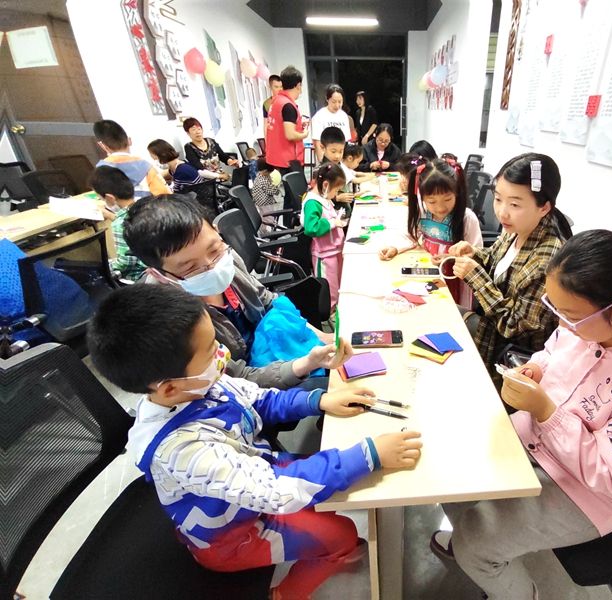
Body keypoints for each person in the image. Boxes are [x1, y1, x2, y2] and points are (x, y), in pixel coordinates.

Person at [88, 284, 423, 599]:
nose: (223, 353)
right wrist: (369, 454)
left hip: (251, 482)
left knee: (338, 486)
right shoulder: (183, 451)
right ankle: (283, 594)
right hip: (231, 536)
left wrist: (318, 401)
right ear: (170, 387)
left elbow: (260, 400)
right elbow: (277, 491)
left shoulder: (198, 386)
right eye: (211, 350)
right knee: (343, 534)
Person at [430, 229, 612, 600]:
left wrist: (545, 410)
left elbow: (605, 473)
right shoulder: (587, 325)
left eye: (568, 315)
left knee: (476, 547)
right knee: (445, 473)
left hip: (586, 493)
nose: (561, 323)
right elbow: (551, 353)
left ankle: (493, 568)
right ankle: (477, 545)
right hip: (533, 441)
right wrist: (535, 370)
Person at [123, 194, 341, 390]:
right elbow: (234, 379)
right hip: (241, 389)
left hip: (273, 354)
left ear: (216, 231)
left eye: (214, 250)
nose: (212, 266)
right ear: (159, 273)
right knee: (335, 388)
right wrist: (306, 364)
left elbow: (267, 301)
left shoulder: (225, 257)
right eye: (190, 268)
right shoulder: (167, 319)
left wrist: (320, 337)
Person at [446, 153, 573, 369]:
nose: (502, 213)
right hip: (489, 326)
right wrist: (474, 253)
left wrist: (476, 277)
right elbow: (497, 260)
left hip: (508, 355)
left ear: (544, 207)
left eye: (514, 204)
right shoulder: (517, 227)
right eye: (498, 199)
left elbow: (514, 327)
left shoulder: (548, 261)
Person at [379, 158, 482, 307]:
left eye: (448, 199)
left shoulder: (467, 218)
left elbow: (477, 252)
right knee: (428, 306)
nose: (440, 208)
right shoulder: (422, 212)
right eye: (432, 202)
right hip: (428, 270)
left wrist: (451, 258)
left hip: (455, 277)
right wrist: (394, 248)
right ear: (421, 197)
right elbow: (409, 236)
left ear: (457, 193)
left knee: (451, 308)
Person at [301, 163, 348, 313]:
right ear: (326, 185)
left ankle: (337, 310)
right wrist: (332, 222)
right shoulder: (312, 202)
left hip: (334, 249)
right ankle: (330, 316)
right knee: (329, 290)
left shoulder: (323, 197)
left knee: (338, 285)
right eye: (336, 190)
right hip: (324, 255)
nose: (336, 194)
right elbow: (311, 227)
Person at [88, 166, 146, 281]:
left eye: (100, 198)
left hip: (137, 277)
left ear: (109, 198)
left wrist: (106, 267)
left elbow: (126, 262)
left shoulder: (120, 224)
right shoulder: (145, 208)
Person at [147, 138, 225, 219]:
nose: (155, 161)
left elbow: (173, 195)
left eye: (155, 159)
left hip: (195, 206)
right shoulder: (178, 165)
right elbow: (166, 175)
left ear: (162, 156)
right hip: (194, 200)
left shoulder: (181, 171)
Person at [93, 120, 169, 198]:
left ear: (102, 145)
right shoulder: (146, 166)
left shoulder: (101, 170)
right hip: (147, 204)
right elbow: (164, 196)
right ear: (129, 140)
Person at [265, 65, 309, 175]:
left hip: (275, 158)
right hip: (288, 162)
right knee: (295, 187)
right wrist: (304, 134)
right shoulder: (288, 105)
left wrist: (299, 124)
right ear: (298, 85)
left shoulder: (276, 101)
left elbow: (279, 125)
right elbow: (290, 135)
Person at [311, 84, 350, 161]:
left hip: (340, 158)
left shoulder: (344, 116)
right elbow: (317, 142)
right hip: (326, 157)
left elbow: (345, 141)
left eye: (340, 102)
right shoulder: (319, 116)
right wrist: (322, 161)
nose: (337, 105)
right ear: (327, 99)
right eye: (334, 102)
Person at [251, 158, 285, 233]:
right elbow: (270, 191)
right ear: (265, 171)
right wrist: (277, 188)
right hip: (265, 202)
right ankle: (270, 231)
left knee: (263, 216)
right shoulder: (264, 180)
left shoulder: (258, 176)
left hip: (259, 202)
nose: (270, 174)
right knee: (269, 216)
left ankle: (262, 230)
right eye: (269, 173)